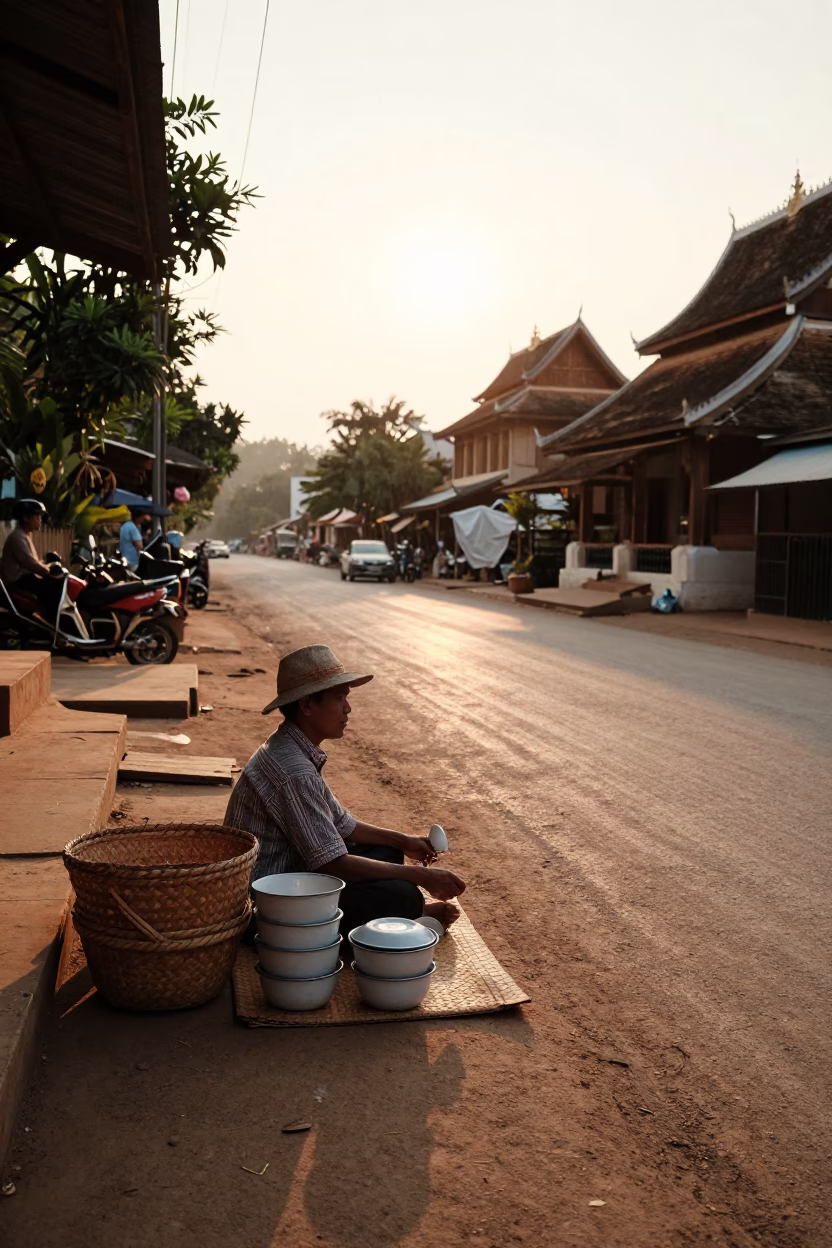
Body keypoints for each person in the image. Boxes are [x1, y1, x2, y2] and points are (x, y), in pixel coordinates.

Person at [225, 644, 466, 936]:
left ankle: (405, 910)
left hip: (295, 873)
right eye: (339, 698)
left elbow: (343, 824)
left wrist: (404, 841)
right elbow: (332, 863)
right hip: (269, 906)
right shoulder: (294, 771)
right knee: (402, 893)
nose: (347, 708)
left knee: (387, 852)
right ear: (307, 706)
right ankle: (407, 911)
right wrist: (420, 875)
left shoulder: (291, 748)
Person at [0, 498, 53, 592]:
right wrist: (48, 570)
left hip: (23, 581)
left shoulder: (24, 535)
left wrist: (49, 565)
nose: (39, 520)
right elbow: (30, 563)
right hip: (16, 583)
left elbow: (34, 562)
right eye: (36, 516)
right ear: (25, 518)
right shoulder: (17, 537)